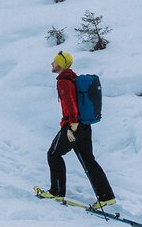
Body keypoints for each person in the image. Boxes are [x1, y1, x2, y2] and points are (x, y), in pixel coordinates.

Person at [37, 51, 116, 209]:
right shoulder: (73, 78)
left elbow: (70, 102)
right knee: (88, 159)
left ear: (61, 64)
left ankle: (56, 192)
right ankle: (107, 197)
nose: (52, 64)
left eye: (54, 61)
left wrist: (71, 125)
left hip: (73, 126)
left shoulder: (63, 81)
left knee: (53, 154)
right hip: (84, 125)